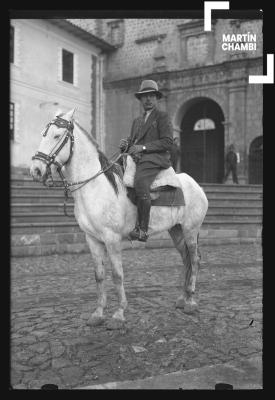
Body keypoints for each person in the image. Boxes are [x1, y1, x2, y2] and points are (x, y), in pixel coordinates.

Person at [119, 79, 174, 242]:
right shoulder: (137, 121)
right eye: (144, 96)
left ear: (156, 98)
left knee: (141, 183)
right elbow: (133, 142)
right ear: (141, 100)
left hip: (154, 158)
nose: (148, 99)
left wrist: (143, 148)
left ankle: (142, 229)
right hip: (136, 157)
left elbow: (167, 142)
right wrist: (125, 145)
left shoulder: (162, 117)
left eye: (151, 96)